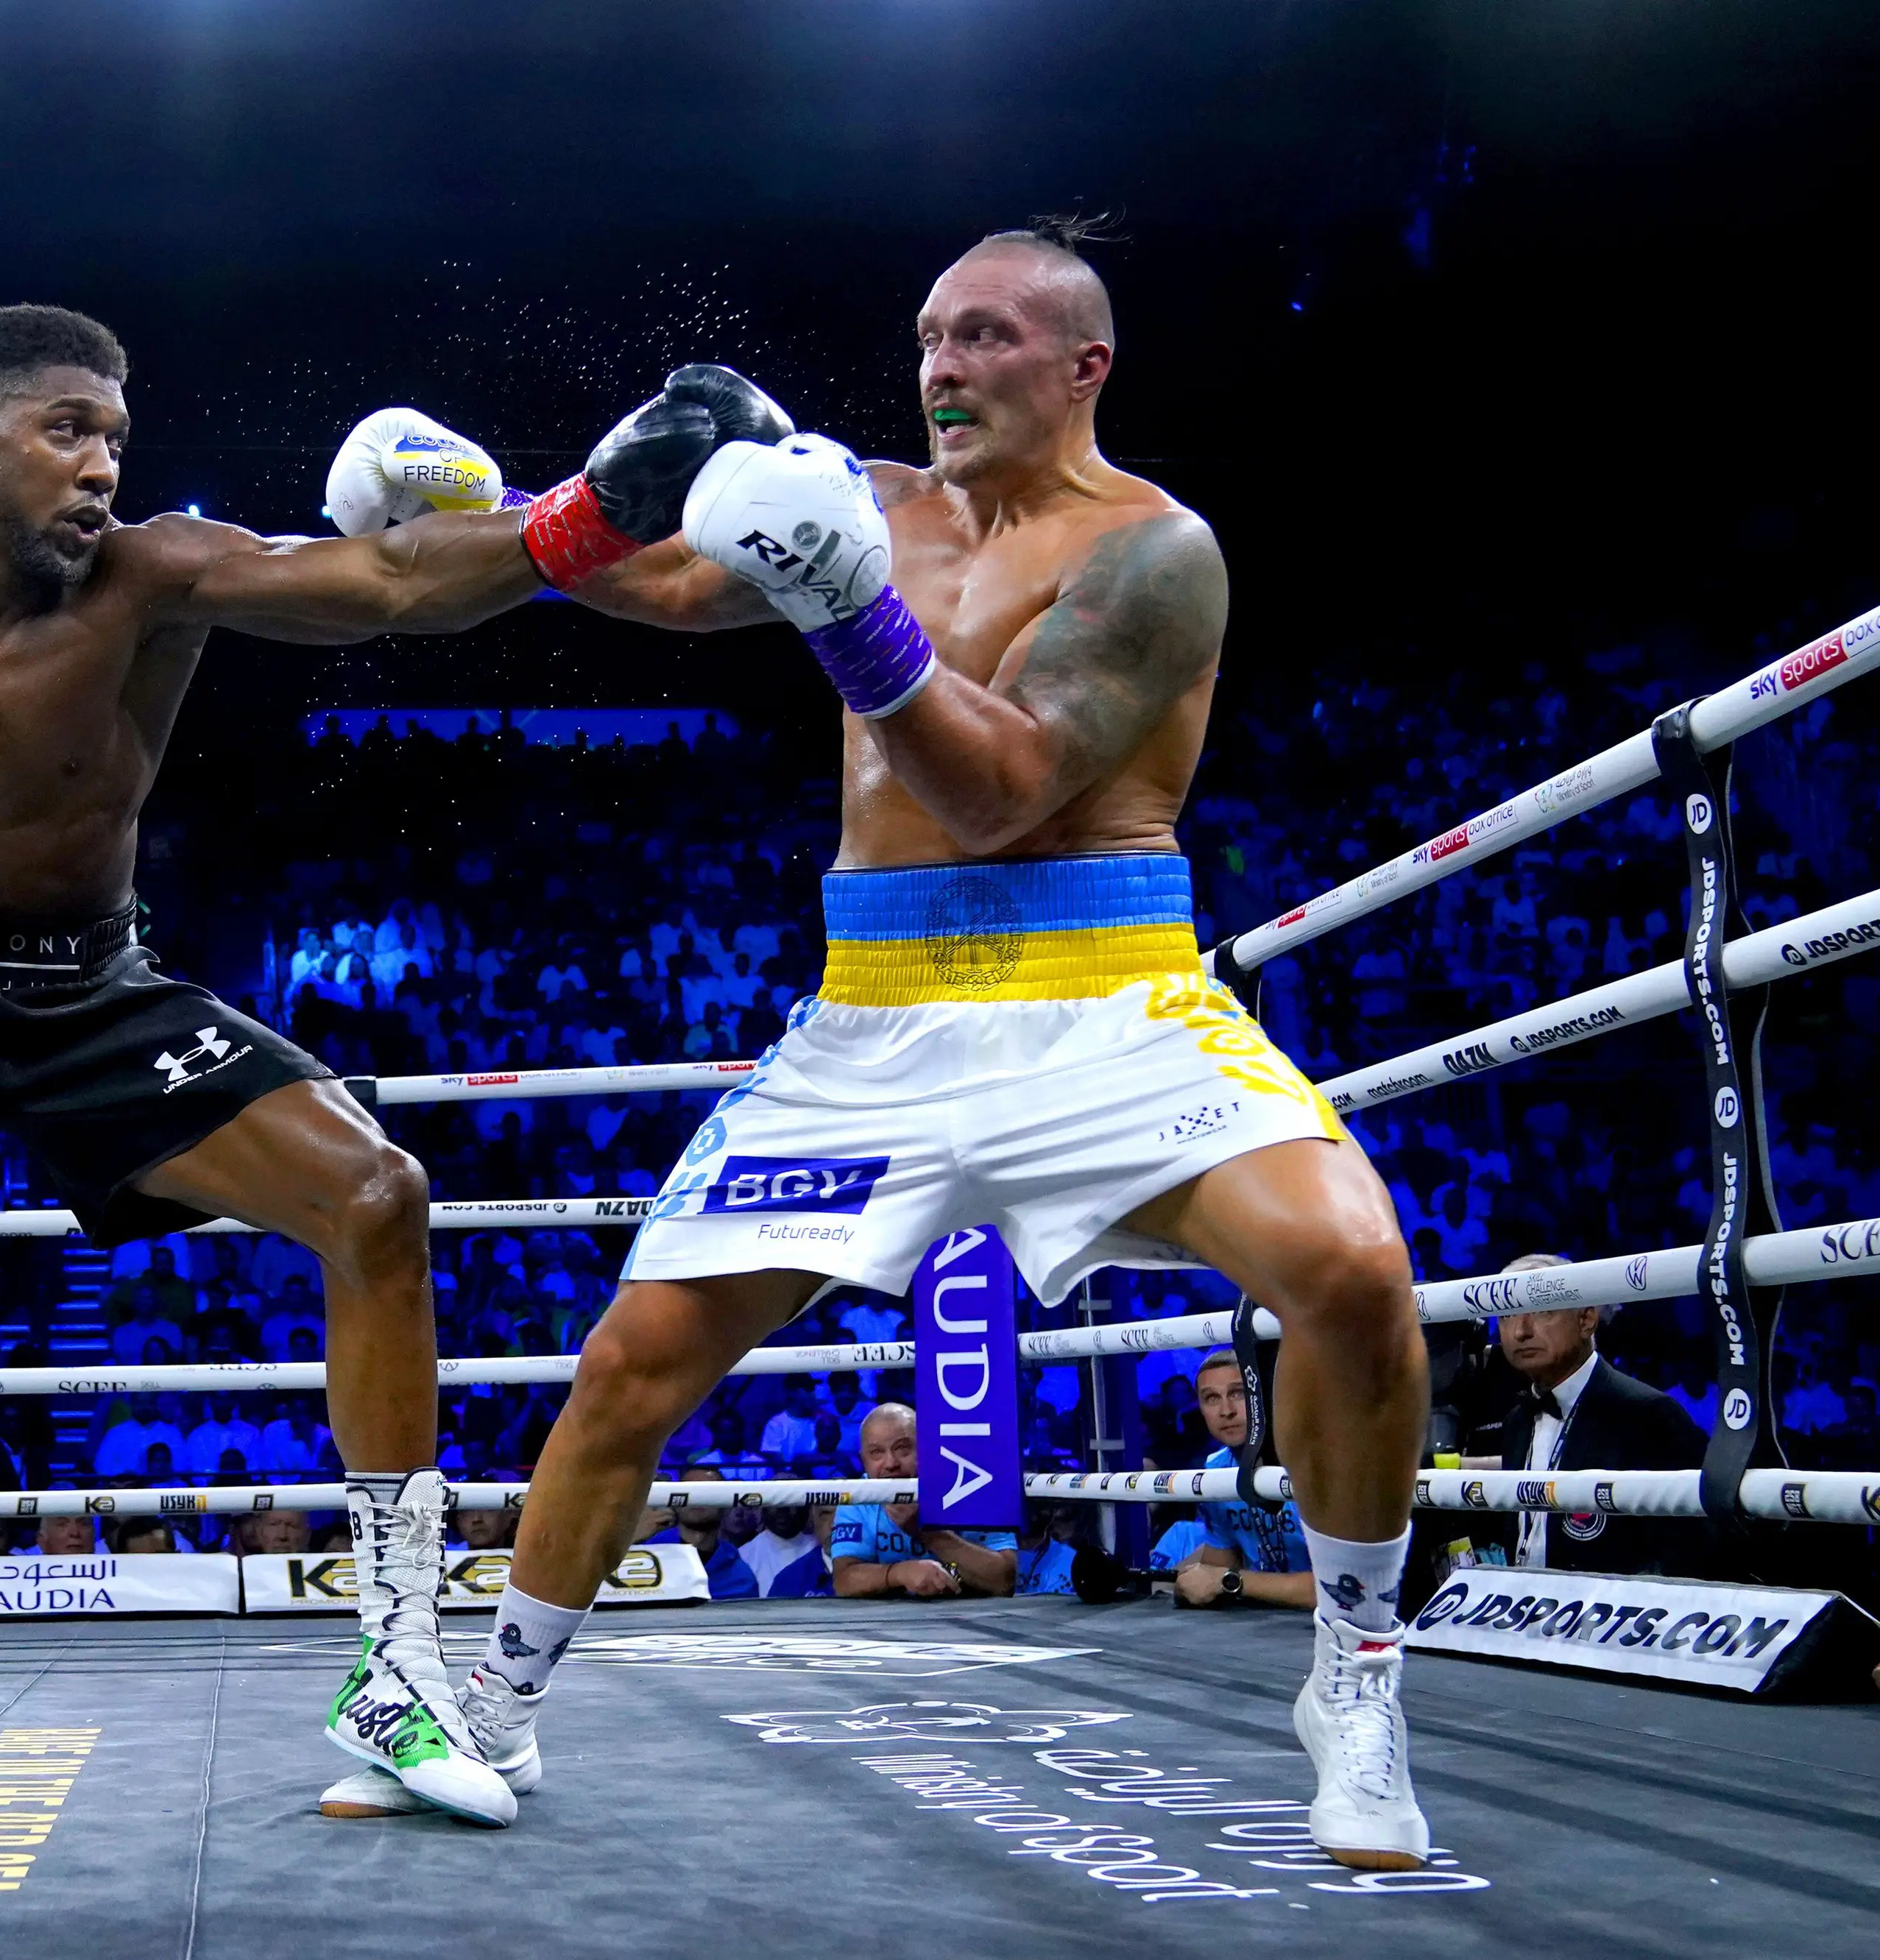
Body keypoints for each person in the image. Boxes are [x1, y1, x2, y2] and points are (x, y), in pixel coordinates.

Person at [0, 316, 786, 1842]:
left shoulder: (157, 570)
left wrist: (595, 507)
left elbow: (384, 582)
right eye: (66, 429)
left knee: (376, 1192)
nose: (103, 463)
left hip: (96, 989)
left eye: (113, 430)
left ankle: (400, 1663)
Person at [433, 224, 1433, 1869]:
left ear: (1084, 365)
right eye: (928, 340)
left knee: (1350, 1267)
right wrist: (518, 505)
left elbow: (1002, 788)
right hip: (876, 1015)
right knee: (632, 1362)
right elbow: (668, 583)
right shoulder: (876, 502)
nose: (944, 369)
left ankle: (1358, 1675)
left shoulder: (1158, 550)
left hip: (1107, 992)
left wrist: (845, 611)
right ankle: (496, 1701)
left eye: (985, 339)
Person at [1493, 1254, 1706, 1574]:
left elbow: (1690, 1548)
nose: (1521, 1331)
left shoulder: (1647, 1413)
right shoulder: (1516, 1423)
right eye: (1508, 1314)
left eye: (1541, 1309)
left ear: (1586, 1319)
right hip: (1526, 1614)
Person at [823, 1404, 1021, 1600]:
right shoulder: (860, 1496)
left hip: (976, 1618)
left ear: (926, 1447)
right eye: (877, 1452)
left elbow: (1003, 1581)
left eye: (902, 1449)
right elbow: (844, 1580)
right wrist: (900, 1573)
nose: (891, 1463)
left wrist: (928, 1532)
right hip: (891, 1623)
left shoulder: (975, 1484)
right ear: (864, 1460)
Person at [1168, 1351, 1316, 1610]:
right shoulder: (1216, 1470)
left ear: (1263, 1396)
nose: (1226, 1411)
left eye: (1238, 1393)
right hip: (1262, 1625)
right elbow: (1221, 1559)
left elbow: (1343, 1590)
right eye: (1212, 1398)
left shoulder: (1314, 1462)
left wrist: (1232, 1581)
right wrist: (1176, 1582)